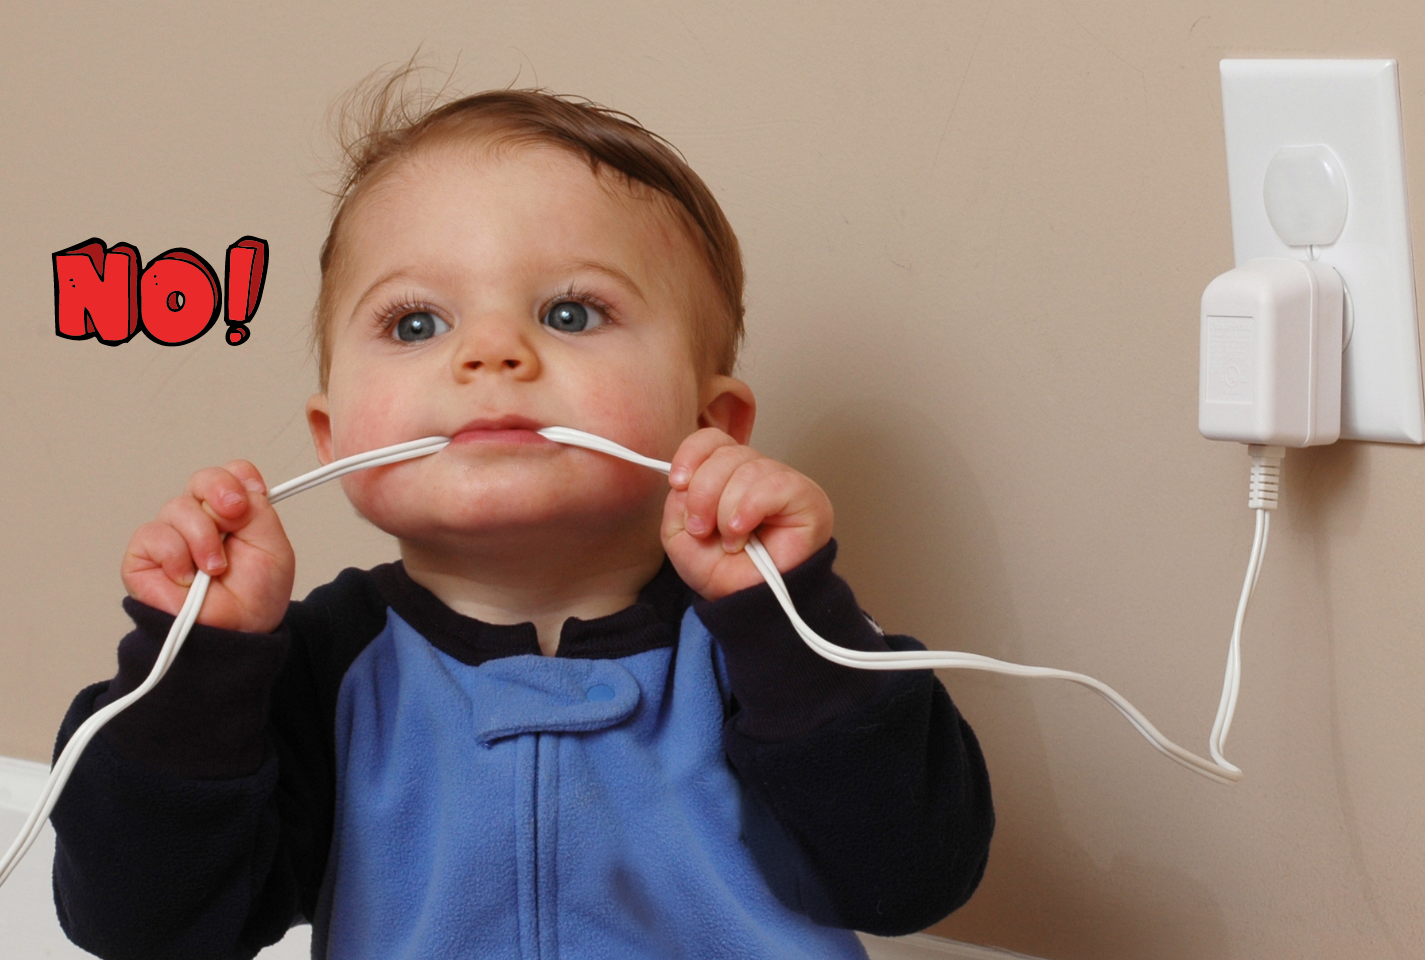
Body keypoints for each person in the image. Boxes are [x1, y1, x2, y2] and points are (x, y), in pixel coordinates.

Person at [50, 76, 993, 960]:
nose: (490, 352)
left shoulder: (768, 644)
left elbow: (912, 878)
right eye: (416, 323)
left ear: (708, 427)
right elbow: (144, 924)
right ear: (334, 440)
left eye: (571, 313)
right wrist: (196, 669)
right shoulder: (311, 676)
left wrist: (791, 613)